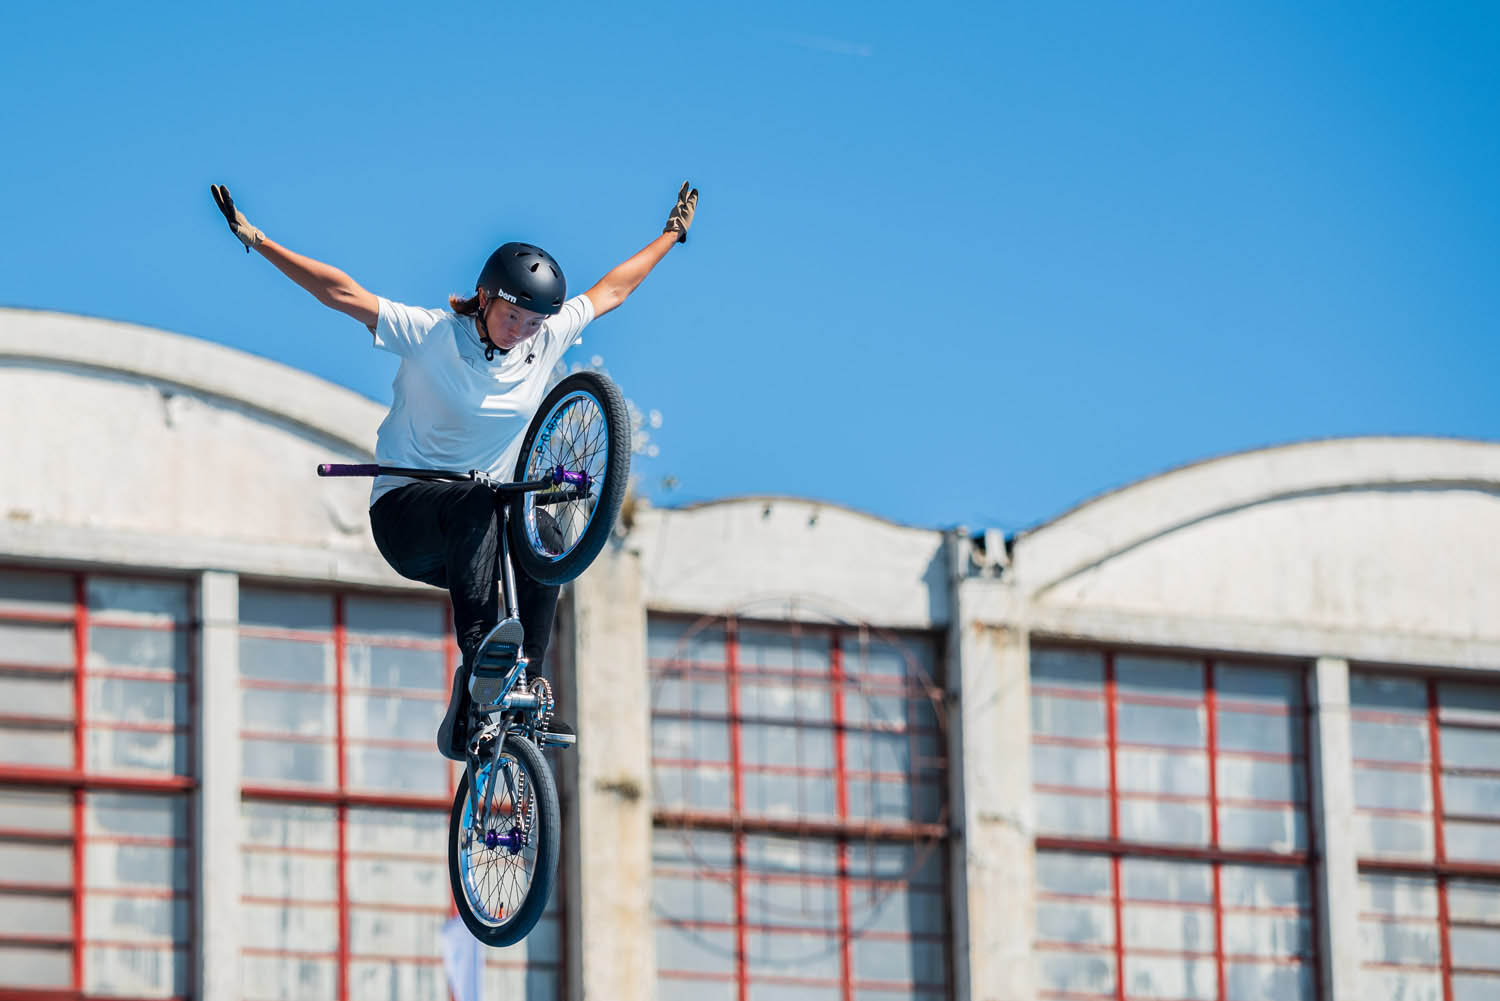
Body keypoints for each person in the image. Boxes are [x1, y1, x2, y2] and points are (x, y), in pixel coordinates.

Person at [210, 181, 698, 759]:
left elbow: (612, 290)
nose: (522, 332)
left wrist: (671, 235)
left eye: (534, 323)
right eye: (512, 316)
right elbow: (340, 292)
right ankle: (480, 660)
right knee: (480, 499)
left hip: (481, 526)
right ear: (485, 298)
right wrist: (258, 239)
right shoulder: (430, 335)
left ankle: (522, 687)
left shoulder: (542, 340)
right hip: (407, 516)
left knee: (543, 534)